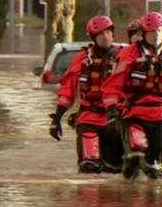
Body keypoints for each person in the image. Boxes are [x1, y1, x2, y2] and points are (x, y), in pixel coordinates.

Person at [101, 12, 162, 179]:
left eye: (159, 31)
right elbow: (113, 84)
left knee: (154, 164)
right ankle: (129, 172)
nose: (156, 35)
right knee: (137, 149)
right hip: (134, 111)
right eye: (151, 32)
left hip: (161, 112)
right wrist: (111, 110)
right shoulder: (130, 54)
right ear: (144, 33)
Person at [48, 15, 123, 174]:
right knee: (89, 165)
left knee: (116, 168)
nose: (105, 37)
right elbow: (67, 90)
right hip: (89, 117)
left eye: (108, 32)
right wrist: (57, 117)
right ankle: (89, 195)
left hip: (116, 117)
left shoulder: (124, 57)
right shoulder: (82, 60)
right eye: (100, 34)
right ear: (94, 38)